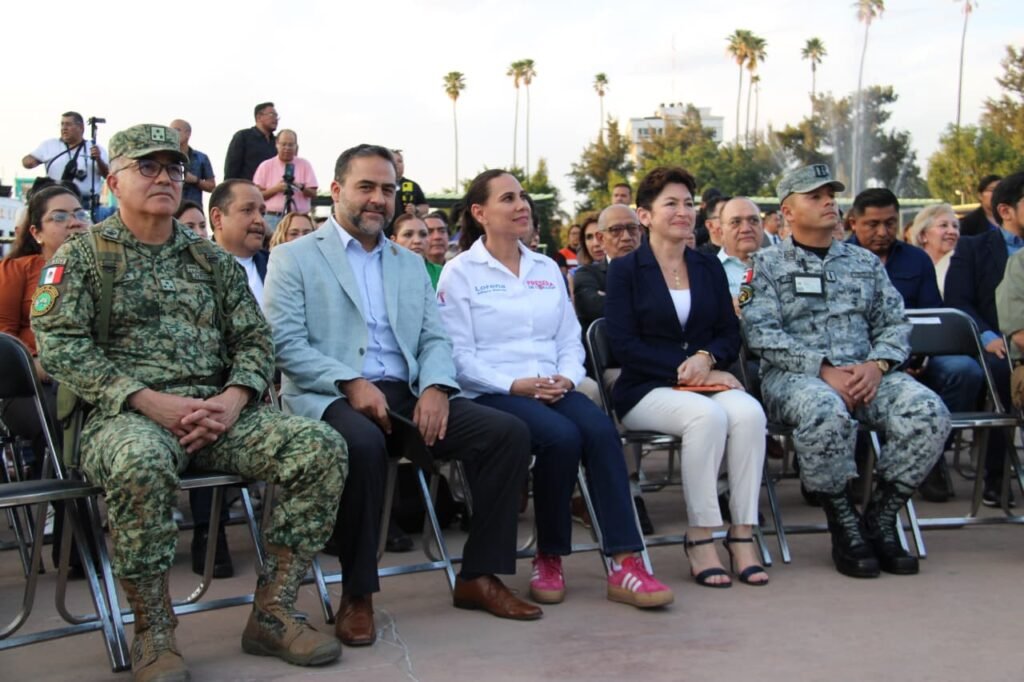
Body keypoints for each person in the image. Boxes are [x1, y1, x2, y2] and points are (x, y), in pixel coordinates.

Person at [31, 123, 347, 681]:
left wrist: (232, 400)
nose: (164, 178)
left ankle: (273, 613)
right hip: (125, 419)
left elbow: (255, 340)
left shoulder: (210, 262)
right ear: (112, 181)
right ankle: (154, 632)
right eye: (147, 168)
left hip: (218, 416)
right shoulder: (84, 256)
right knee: (140, 463)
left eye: (173, 169)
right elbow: (59, 346)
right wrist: (147, 401)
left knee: (319, 446)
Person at [264, 144, 542, 646]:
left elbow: (435, 338)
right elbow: (284, 344)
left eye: (387, 190)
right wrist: (350, 383)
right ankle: (358, 594)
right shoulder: (293, 258)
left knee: (506, 433)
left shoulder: (408, 264)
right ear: (336, 192)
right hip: (329, 394)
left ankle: (479, 576)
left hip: (406, 393)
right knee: (363, 443)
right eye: (365, 187)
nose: (377, 199)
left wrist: (436, 386)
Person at [437, 169, 674, 609]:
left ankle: (626, 561)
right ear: (479, 212)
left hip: (552, 386)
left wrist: (566, 376)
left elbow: (569, 337)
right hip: (493, 391)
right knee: (560, 438)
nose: (522, 205)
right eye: (508, 198)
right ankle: (549, 556)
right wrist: (513, 384)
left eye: (523, 197)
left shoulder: (546, 267)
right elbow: (458, 356)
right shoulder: (460, 272)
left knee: (602, 432)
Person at [741, 164, 951, 579]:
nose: (828, 202)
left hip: (869, 375)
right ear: (787, 210)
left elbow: (895, 322)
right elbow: (758, 332)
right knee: (824, 410)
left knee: (928, 411)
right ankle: (844, 523)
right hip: (796, 377)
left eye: (830, 194)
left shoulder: (864, 262)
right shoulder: (764, 265)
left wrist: (878, 365)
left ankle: (881, 516)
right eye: (814, 196)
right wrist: (822, 370)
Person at [605, 167, 768, 588]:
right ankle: (700, 537)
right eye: (671, 204)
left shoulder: (708, 266)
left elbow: (728, 333)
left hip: (705, 379)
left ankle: (743, 533)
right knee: (707, 417)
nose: (683, 212)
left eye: (689, 204)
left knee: (748, 413)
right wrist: (688, 368)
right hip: (646, 389)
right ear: (645, 215)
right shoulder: (625, 270)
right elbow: (623, 344)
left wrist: (706, 357)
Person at [847, 188, 983, 504]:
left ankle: (926, 454)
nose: (882, 232)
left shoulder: (916, 259)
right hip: (862, 359)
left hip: (916, 353)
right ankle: (865, 460)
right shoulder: (839, 259)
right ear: (854, 223)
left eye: (890, 223)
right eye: (872, 224)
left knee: (965, 371)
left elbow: (930, 316)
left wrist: (916, 356)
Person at [944, 171, 1024, 505]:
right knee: (1002, 375)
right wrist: (989, 337)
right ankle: (996, 477)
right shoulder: (973, 247)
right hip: (989, 342)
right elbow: (958, 301)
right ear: (1006, 210)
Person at [22, 111, 109, 209]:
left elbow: (108, 175)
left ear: (81, 128)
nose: (64, 128)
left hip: (87, 204)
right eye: (62, 124)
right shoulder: (50, 145)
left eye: (68, 124)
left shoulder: (94, 148)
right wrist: (29, 161)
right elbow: (27, 162)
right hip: (55, 201)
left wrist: (98, 159)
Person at [210, 180, 270, 308]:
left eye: (262, 213)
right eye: (247, 210)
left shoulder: (276, 265)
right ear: (217, 218)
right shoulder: (195, 266)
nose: (259, 220)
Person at [252, 129, 318, 233]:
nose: (287, 148)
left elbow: (313, 193)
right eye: (284, 144)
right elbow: (257, 195)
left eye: (291, 145)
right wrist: (276, 189)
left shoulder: (305, 164)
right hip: (272, 218)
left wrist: (300, 187)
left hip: (299, 218)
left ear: (296, 146)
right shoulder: (265, 166)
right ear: (277, 144)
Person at [906, 203, 960, 297]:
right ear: (923, 235)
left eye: (955, 226)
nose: (952, 231)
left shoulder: (964, 265)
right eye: (943, 225)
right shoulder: (909, 266)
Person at [717, 197, 765, 298]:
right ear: (721, 232)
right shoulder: (707, 272)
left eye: (753, 220)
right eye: (735, 222)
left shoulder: (783, 264)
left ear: (762, 226)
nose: (746, 229)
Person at [224, 102, 278, 181]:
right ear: (259, 117)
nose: (275, 119)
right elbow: (231, 169)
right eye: (272, 115)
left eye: (276, 116)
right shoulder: (243, 136)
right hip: (247, 189)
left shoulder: (278, 142)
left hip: (272, 190)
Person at [169, 119, 215, 206]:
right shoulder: (166, 157)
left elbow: (212, 187)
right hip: (171, 209)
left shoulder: (201, 158)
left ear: (188, 133)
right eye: (170, 130)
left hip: (193, 209)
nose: (173, 134)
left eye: (177, 130)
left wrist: (195, 180)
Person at [392, 149, 429, 220]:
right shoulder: (380, 183)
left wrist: (416, 209)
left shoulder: (412, 185)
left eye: (400, 161)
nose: (397, 164)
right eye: (393, 161)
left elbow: (425, 208)